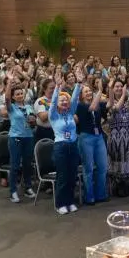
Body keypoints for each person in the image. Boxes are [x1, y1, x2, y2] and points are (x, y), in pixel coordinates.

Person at [49, 71, 83, 215]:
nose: (64, 102)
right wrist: (57, 87)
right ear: (57, 103)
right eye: (61, 100)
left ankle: (70, 201)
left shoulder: (70, 113)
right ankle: (60, 204)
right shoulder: (53, 115)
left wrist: (79, 84)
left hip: (73, 146)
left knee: (72, 175)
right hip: (61, 148)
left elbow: (74, 99)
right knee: (62, 176)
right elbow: (53, 102)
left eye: (66, 100)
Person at [0, 79, 36, 203]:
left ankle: (28, 187)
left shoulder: (29, 106)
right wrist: (9, 84)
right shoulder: (12, 107)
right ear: (14, 97)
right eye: (17, 94)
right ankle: (13, 191)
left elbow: (33, 122)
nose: (20, 95)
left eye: (21, 93)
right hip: (15, 137)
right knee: (15, 164)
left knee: (27, 164)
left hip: (28, 137)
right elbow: (7, 99)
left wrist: (33, 121)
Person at [76, 80, 109, 205]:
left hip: (99, 136)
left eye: (90, 90)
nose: (89, 93)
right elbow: (92, 108)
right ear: (81, 95)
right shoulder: (80, 106)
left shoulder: (97, 103)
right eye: (86, 91)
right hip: (86, 137)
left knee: (103, 166)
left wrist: (110, 89)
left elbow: (110, 104)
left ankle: (100, 194)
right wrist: (100, 91)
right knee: (88, 168)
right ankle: (89, 197)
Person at [106, 78, 129, 195]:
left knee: (127, 158)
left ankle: (126, 185)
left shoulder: (127, 100)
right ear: (112, 89)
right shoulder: (110, 101)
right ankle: (118, 185)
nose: (119, 88)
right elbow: (115, 109)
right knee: (117, 160)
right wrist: (124, 94)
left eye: (121, 86)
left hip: (128, 134)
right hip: (116, 137)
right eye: (117, 86)